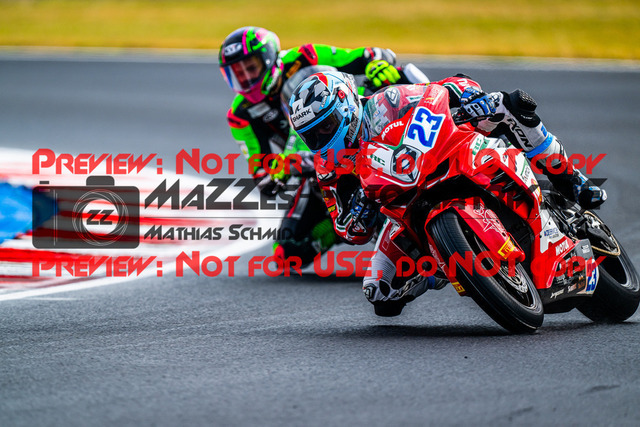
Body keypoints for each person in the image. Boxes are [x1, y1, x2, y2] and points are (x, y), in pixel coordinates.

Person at [287, 70, 606, 316]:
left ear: (345, 106)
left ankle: (571, 179)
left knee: (509, 105)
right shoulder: (327, 167)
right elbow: (345, 227)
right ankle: (442, 265)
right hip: (406, 209)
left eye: (326, 125)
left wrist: (469, 99)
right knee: (381, 293)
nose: (321, 137)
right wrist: (358, 211)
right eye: (311, 134)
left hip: (449, 156)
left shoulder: (386, 103)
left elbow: (438, 91)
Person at [219, 26, 405, 265]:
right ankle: (337, 226)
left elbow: (371, 55)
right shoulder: (240, 115)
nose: (245, 78)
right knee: (288, 253)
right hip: (316, 166)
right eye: (237, 73)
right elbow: (261, 176)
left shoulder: (305, 56)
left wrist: (377, 65)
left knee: (401, 81)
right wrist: (279, 170)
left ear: (268, 59)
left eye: (251, 68)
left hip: (361, 134)